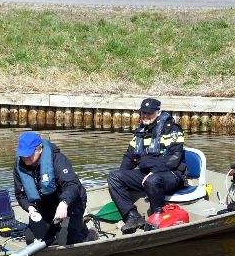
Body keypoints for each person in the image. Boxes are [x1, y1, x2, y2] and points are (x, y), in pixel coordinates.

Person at [107, 98, 186, 233]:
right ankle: (132, 216)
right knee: (114, 177)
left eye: (149, 113)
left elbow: (174, 158)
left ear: (158, 112)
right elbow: (130, 157)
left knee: (152, 180)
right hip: (147, 175)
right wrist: (123, 178)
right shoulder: (141, 131)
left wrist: (154, 171)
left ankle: (158, 216)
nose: (145, 115)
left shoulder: (172, 130)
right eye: (143, 112)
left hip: (172, 175)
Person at [13, 132, 89, 245]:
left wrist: (64, 203)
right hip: (45, 207)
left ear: (39, 149)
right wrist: (29, 207)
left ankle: (88, 234)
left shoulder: (57, 159)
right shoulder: (19, 167)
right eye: (23, 154)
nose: (25, 157)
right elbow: (20, 195)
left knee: (64, 240)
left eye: (29, 154)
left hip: (70, 205)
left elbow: (72, 185)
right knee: (31, 239)